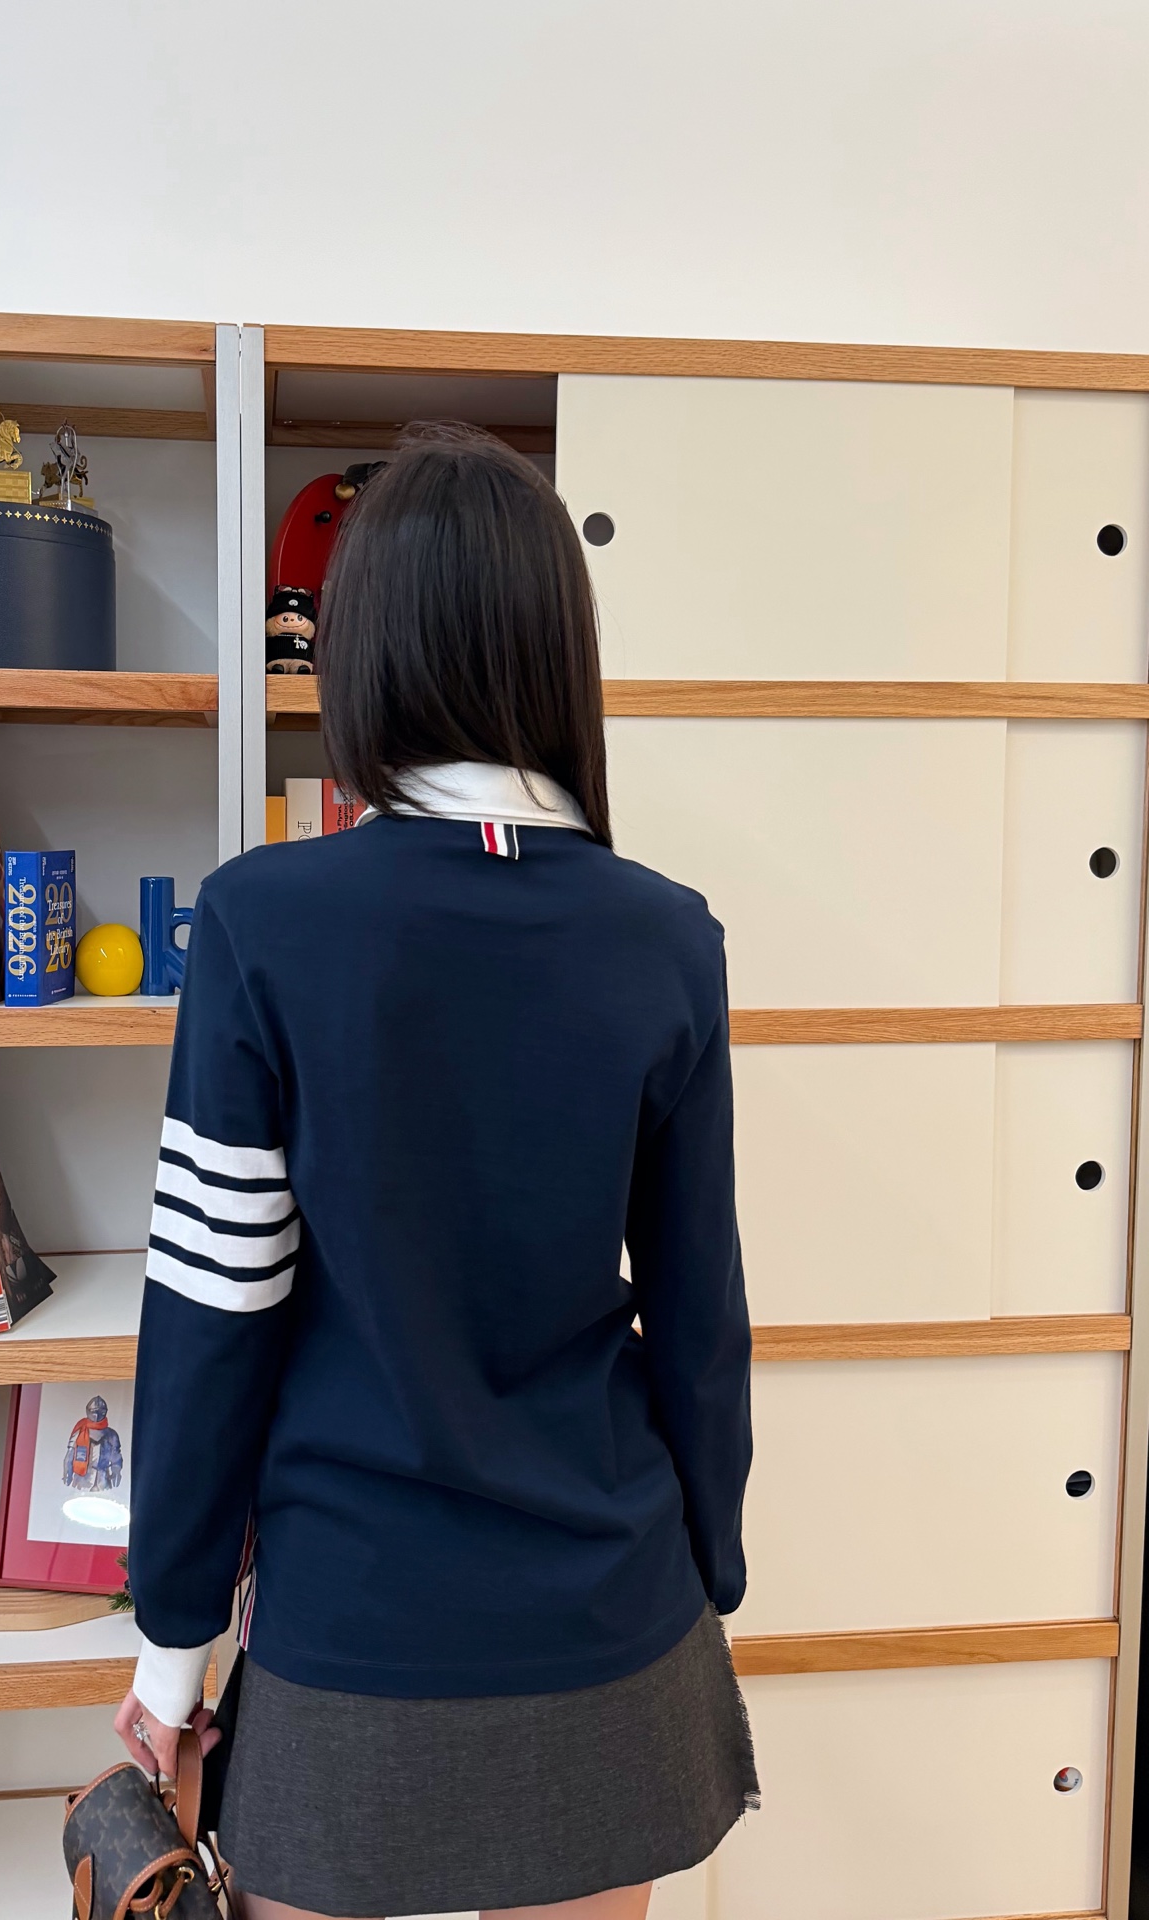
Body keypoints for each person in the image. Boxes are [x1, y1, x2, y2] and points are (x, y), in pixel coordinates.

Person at [115, 425, 757, 1920]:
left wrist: (172, 1648)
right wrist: (713, 1568)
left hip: (350, 1637)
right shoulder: (668, 938)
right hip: (613, 1621)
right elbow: (701, 1311)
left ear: (363, 653)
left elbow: (213, 1306)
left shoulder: (263, 922)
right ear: (559, 650)